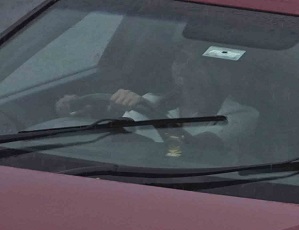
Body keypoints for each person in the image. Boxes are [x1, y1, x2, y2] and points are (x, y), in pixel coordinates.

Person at [55, 44, 258, 152]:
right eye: (181, 59)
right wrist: (90, 114)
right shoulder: (151, 99)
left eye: (198, 64)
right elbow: (118, 138)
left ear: (220, 73)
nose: (184, 68)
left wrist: (149, 111)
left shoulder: (242, 115)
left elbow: (190, 150)